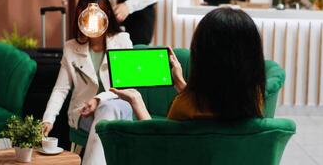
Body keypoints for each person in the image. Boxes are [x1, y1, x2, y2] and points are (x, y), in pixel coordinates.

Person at [110, 8, 266, 121]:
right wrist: (180, 84)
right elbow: (211, 107)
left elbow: (160, 145)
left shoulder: (183, 107)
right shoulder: (254, 100)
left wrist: (136, 100)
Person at [42, 0, 133, 165]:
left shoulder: (122, 41)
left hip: (119, 107)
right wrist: (48, 119)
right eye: (88, 17)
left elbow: (124, 87)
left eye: (98, 17)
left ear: (106, 17)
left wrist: (99, 100)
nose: (93, 22)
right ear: (80, 18)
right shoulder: (71, 48)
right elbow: (60, 89)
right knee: (103, 117)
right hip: (84, 113)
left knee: (107, 109)